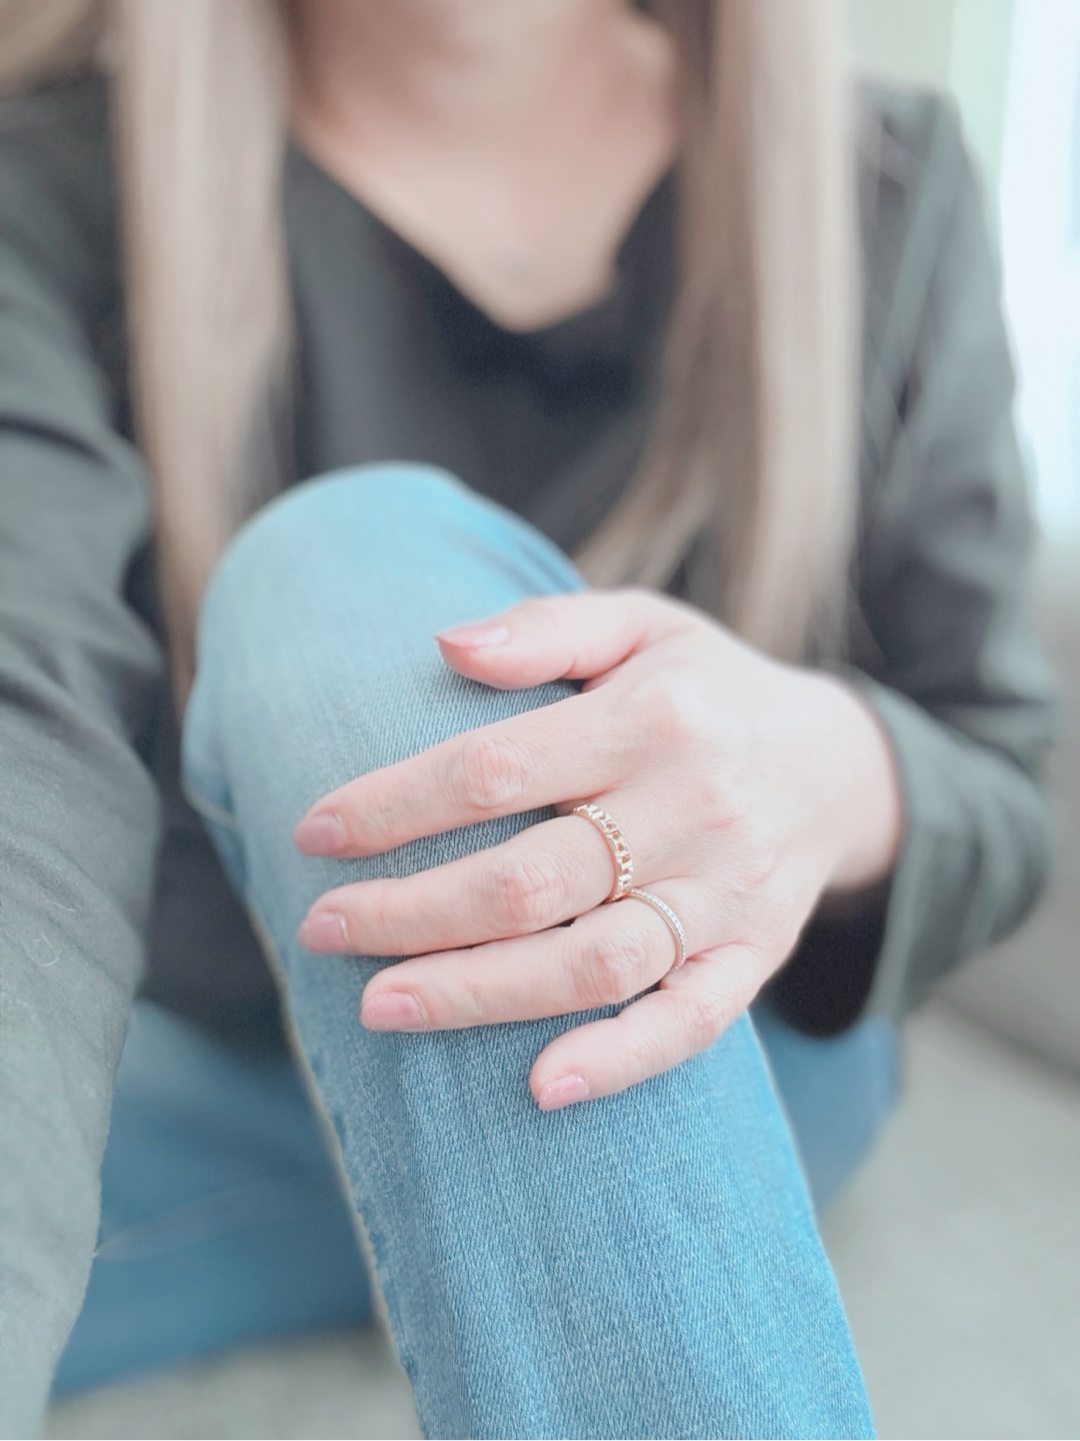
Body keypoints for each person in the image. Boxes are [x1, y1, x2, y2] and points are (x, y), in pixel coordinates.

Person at [0, 1, 1054, 1436]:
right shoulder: (54, 176)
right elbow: (26, 766)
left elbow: (1002, 785)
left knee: (343, 564)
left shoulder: (886, 182)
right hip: (208, 1053)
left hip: (711, 1036)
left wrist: (826, 764)